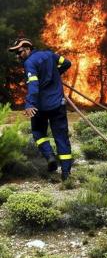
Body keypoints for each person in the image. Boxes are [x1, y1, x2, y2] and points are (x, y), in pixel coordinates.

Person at [8, 38, 73, 180]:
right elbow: (67, 63)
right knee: (61, 137)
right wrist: (56, 73)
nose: (17, 56)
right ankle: (66, 173)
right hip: (58, 104)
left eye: (19, 52)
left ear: (27, 49)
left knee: (38, 132)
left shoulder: (29, 63)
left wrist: (29, 104)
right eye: (15, 54)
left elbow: (33, 86)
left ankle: (50, 156)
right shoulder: (50, 55)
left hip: (40, 107)